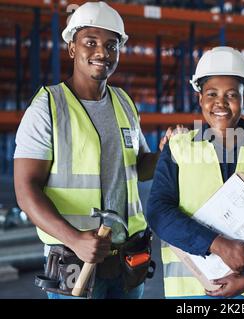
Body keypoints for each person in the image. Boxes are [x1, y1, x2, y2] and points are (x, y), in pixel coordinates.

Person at [14, 1, 171, 299]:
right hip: (75, 260)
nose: (102, 52)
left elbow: (139, 167)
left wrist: (166, 153)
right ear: (72, 48)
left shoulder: (124, 102)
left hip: (128, 259)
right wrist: (74, 239)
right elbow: (25, 189)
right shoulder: (48, 106)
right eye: (91, 42)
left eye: (112, 45)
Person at [147, 46, 244, 298]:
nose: (220, 103)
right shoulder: (179, 147)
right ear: (200, 98)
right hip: (194, 289)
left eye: (231, 95)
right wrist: (216, 244)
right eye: (211, 94)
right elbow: (159, 212)